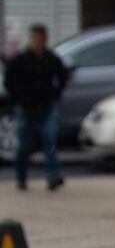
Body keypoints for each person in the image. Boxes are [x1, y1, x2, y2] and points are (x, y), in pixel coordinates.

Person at [3, 23, 68, 191]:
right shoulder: (21, 59)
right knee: (24, 145)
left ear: (45, 40)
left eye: (40, 39)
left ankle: (52, 176)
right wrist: (18, 98)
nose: (37, 42)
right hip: (25, 107)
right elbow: (9, 80)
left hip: (46, 106)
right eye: (34, 39)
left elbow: (63, 76)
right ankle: (21, 177)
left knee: (49, 139)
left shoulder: (51, 58)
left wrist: (55, 95)